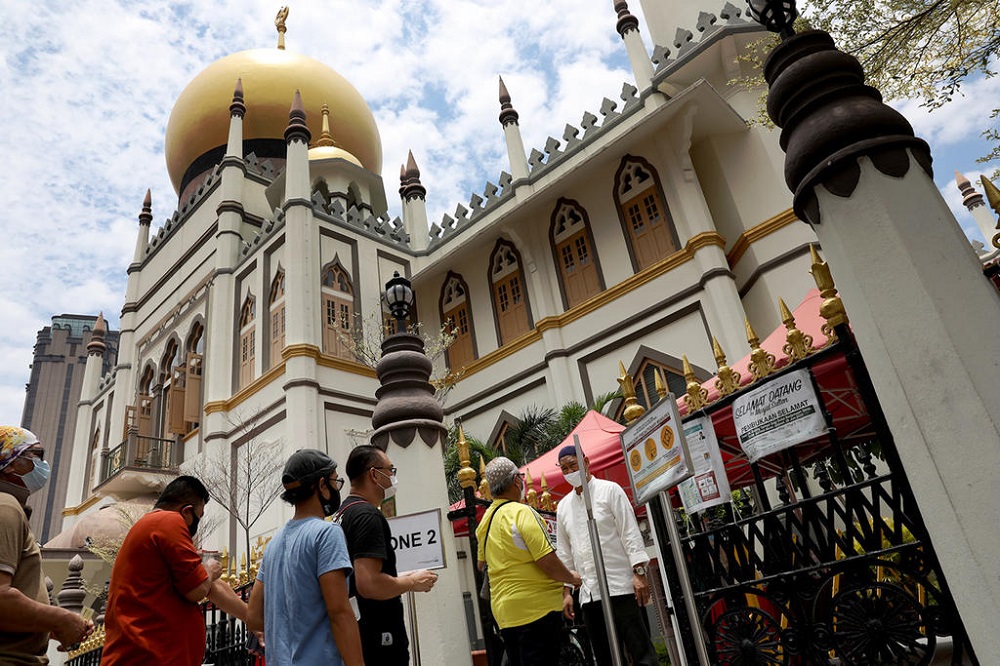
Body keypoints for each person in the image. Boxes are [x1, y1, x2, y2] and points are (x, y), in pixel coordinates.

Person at [101, 475, 247, 665]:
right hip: (148, 657)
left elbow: (209, 586)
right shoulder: (169, 521)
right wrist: (210, 570)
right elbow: (197, 589)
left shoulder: (151, 526)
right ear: (187, 511)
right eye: (198, 517)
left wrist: (251, 619)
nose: (196, 525)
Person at [247, 449, 362, 665]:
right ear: (321, 485)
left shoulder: (272, 546)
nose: (336, 488)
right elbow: (339, 612)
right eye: (335, 481)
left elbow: (253, 616)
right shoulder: (327, 533)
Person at [555, 446, 658, 666]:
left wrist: (639, 573)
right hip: (590, 594)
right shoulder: (563, 507)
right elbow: (565, 555)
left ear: (586, 461)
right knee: (605, 658)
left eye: (573, 465)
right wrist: (566, 592)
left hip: (620, 586)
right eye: (564, 468)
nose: (570, 471)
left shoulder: (610, 490)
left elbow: (629, 532)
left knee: (641, 653)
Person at [336, 445, 438, 665]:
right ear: (374, 474)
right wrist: (412, 582)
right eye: (390, 470)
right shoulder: (367, 515)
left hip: (356, 633)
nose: (393, 477)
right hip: (379, 638)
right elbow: (368, 583)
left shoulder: (342, 514)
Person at [0, 426, 94, 662]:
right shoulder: (6, 507)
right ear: (10, 464)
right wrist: (61, 619)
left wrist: (46, 625)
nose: (43, 465)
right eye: (36, 455)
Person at [476, 456, 581, 666]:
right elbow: (547, 560)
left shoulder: (485, 521)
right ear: (516, 480)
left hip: (505, 614)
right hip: (536, 611)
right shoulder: (523, 513)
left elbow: (481, 564)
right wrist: (571, 578)